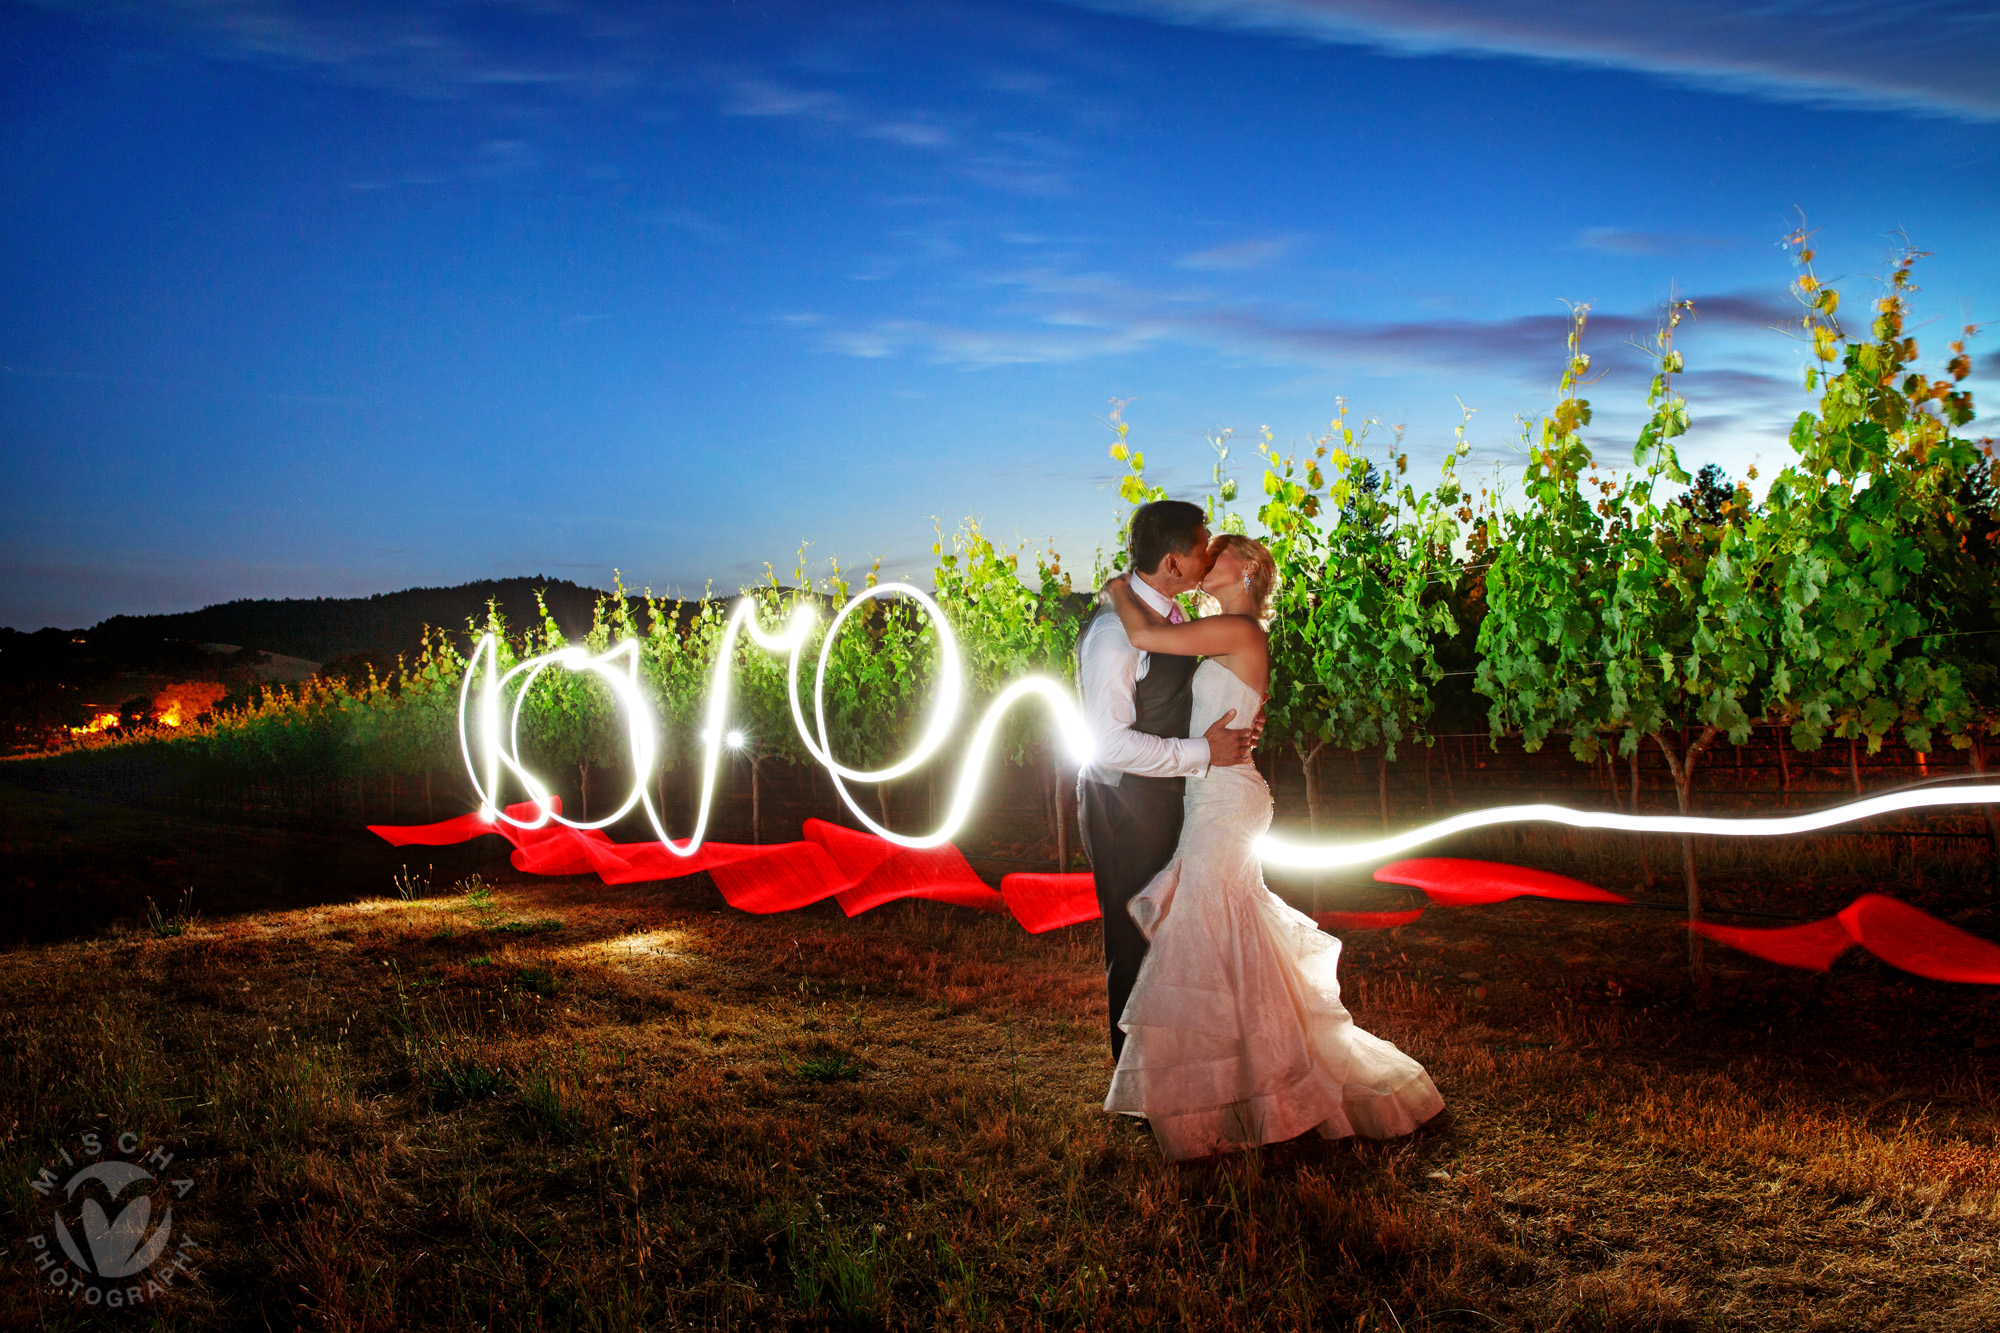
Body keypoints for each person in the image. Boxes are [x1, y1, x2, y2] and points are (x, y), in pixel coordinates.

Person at [1097, 532, 1445, 1163]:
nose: (1208, 559)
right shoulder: (1230, 632)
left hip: (1225, 800)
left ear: (1249, 568)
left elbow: (1144, 635)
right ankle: (1247, 1081)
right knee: (1228, 932)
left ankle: (1241, 1090)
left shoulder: (1239, 629)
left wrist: (1118, 587)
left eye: (1221, 551)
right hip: (1218, 792)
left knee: (1208, 928)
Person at [1075, 500, 1261, 1065]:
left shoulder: (1171, 618)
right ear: (1175, 563)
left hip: (1177, 795)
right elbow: (1109, 745)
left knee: (1172, 937)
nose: (1210, 555)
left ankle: (1175, 1066)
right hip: (1122, 803)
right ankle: (1135, 1078)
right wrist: (1203, 751)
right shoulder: (1115, 632)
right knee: (1133, 939)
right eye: (1204, 547)